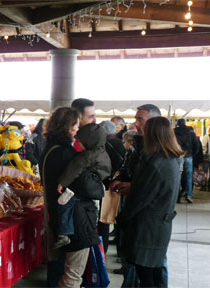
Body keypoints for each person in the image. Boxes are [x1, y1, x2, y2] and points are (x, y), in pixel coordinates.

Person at [39, 107, 105, 288]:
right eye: (76, 124)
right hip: (76, 220)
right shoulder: (66, 154)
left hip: (61, 216)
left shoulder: (49, 149)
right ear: (67, 126)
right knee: (73, 276)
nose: (78, 129)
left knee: (64, 271)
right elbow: (88, 187)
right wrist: (100, 184)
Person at [117, 116, 182, 287]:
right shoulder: (172, 159)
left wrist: (122, 219)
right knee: (155, 275)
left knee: (147, 277)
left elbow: (140, 197)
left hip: (147, 228)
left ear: (152, 135)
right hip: (160, 225)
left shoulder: (157, 163)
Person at [110, 104, 165, 286]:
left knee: (153, 268)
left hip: (149, 220)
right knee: (132, 261)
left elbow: (158, 185)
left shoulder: (161, 152)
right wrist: (121, 179)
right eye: (136, 119)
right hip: (135, 212)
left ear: (154, 122)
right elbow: (128, 167)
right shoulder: (138, 144)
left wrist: (132, 186)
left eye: (140, 119)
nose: (135, 124)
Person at [55, 123, 111, 249]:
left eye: (79, 141)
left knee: (64, 204)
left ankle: (64, 234)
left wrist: (63, 183)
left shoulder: (86, 156)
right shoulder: (102, 152)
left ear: (88, 142)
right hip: (94, 189)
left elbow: (73, 169)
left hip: (82, 192)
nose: (76, 143)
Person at [174, 118, 199, 203]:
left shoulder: (174, 131)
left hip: (177, 156)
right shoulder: (191, 132)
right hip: (188, 156)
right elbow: (196, 145)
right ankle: (189, 195)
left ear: (178, 123)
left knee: (177, 177)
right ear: (185, 123)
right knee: (189, 177)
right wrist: (192, 154)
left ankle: (176, 196)